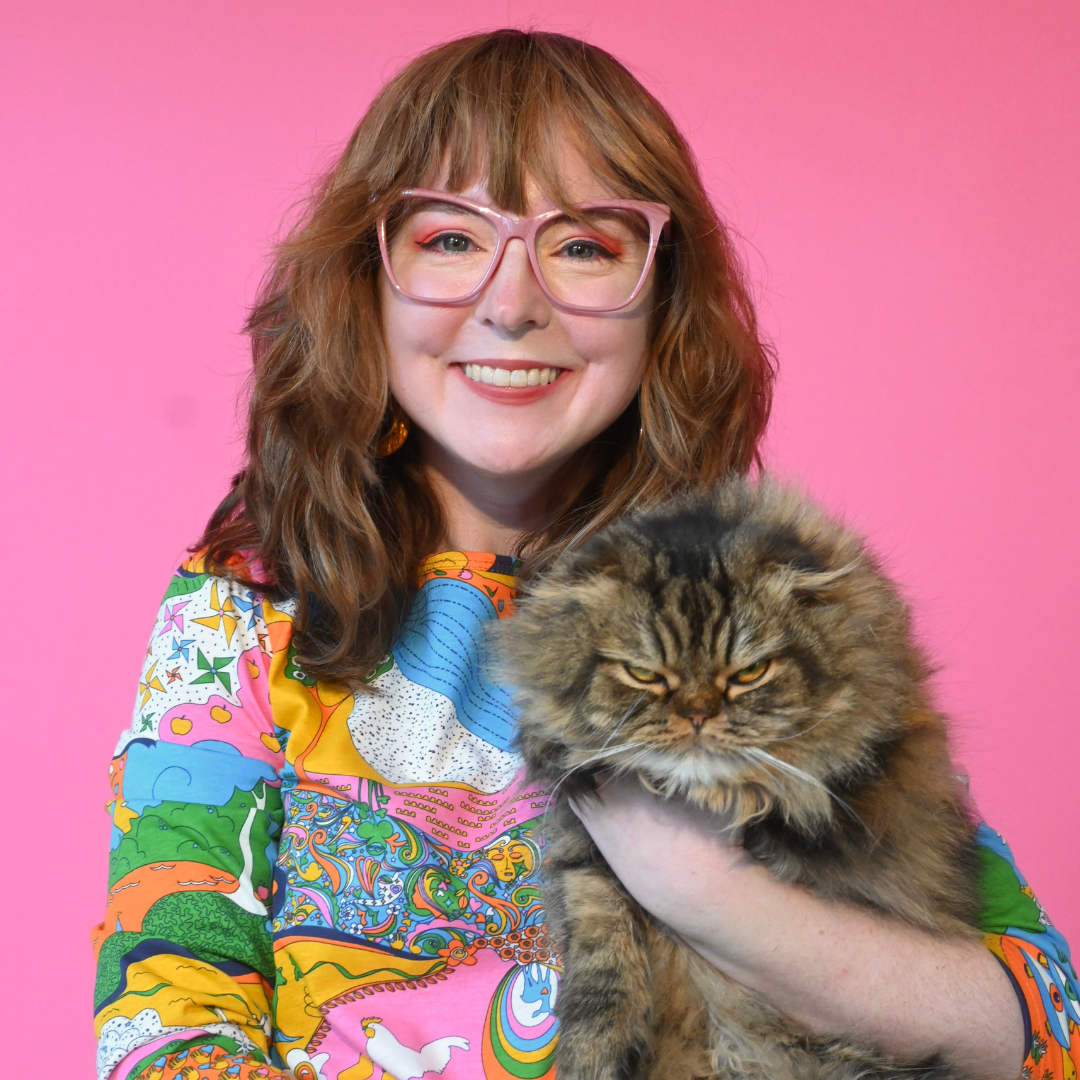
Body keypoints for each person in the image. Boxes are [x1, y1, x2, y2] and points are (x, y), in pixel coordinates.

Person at [92, 30, 1077, 1080]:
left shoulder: (760, 598)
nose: (513, 305)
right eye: (451, 239)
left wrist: (709, 896)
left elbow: (1044, 1027)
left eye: (582, 246)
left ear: (659, 301)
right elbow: (162, 1034)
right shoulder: (245, 608)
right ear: (367, 282)